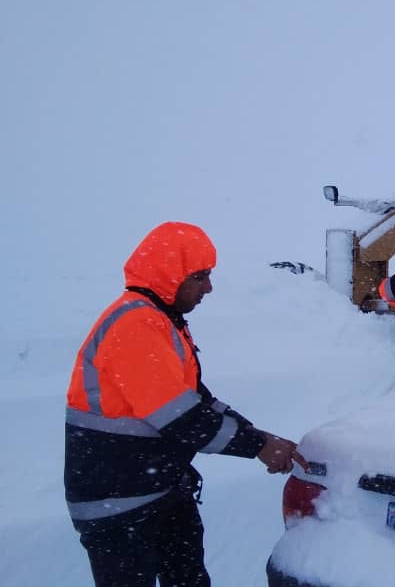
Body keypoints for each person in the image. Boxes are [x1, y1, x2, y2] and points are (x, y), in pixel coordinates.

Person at [64, 221, 307, 587]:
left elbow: (200, 400)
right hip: (118, 505)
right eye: (200, 277)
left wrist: (260, 435)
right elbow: (182, 419)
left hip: (160, 490)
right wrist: (259, 446)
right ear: (168, 275)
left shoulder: (164, 322)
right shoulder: (135, 325)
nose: (208, 287)